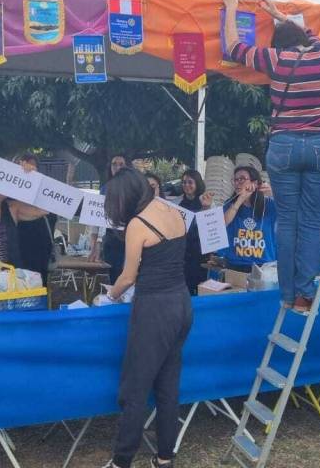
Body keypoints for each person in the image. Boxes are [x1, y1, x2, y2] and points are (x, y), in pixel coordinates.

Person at [222, 0, 320, 315]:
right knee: (311, 220)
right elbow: (309, 34)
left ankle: (288, 295)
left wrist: (231, 8)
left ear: (280, 44)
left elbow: (233, 47)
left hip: (285, 144)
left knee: (287, 221)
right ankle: (305, 294)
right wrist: (278, 14)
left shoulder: (276, 60)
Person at [100, 169, 191, 468]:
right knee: (168, 387)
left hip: (155, 309)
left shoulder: (138, 224)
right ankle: (165, 458)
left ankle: (122, 460)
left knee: (135, 389)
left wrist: (110, 295)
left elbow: (127, 276)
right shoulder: (174, 211)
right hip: (182, 303)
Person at [219, 166, 277, 275]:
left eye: (242, 179)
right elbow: (223, 224)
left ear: (254, 183)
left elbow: (291, 211)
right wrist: (240, 199)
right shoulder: (230, 204)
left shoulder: (269, 204)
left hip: (264, 265)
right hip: (235, 264)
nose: (237, 183)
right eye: (235, 180)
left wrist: (274, 194)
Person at [14, 153, 58, 278]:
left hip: (40, 252)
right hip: (15, 253)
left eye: (32, 168)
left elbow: (52, 216)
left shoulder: (45, 193)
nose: (28, 171)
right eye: (23, 167)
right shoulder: (7, 195)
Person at [90, 155, 129, 283]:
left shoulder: (133, 188)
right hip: (111, 238)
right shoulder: (104, 189)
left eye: (121, 164)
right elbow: (97, 217)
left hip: (131, 237)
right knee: (115, 278)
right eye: (114, 164)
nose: (117, 167)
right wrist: (95, 245)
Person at [178, 169, 212, 294]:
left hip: (201, 251)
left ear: (197, 183)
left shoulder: (205, 201)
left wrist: (206, 208)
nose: (186, 185)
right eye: (184, 182)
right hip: (184, 252)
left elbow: (210, 225)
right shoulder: (179, 203)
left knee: (200, 286)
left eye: (190, 182)